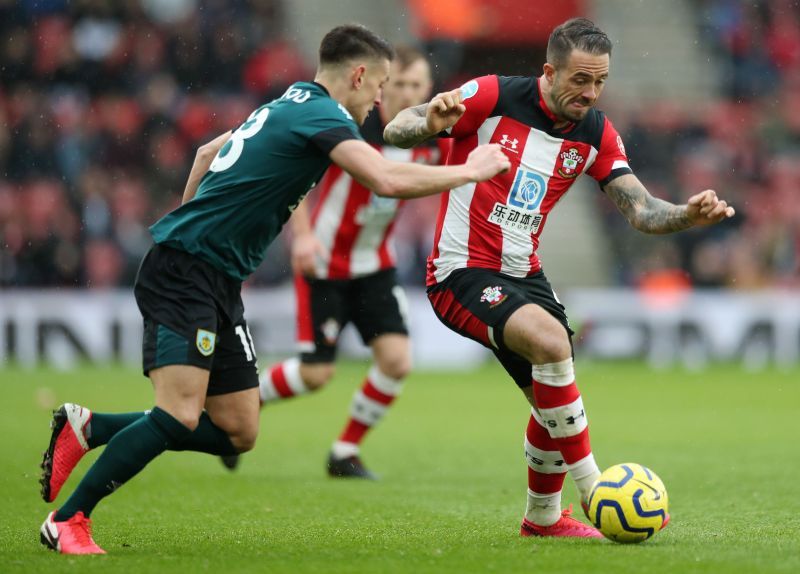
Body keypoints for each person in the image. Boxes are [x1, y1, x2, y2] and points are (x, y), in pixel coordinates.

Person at [37, 24, 510, 555]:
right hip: (187, 273)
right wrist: (471, 170)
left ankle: (89, 427)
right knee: (178, 413)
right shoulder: (322, 115)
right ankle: (69, 519)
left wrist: (192, 219)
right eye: (379, 85)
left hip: (215, 276)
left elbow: (204, 154)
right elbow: (387, 180)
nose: (380, 97)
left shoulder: (286, 102)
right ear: (357, 75)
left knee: (238, 429)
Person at [383, 17, 734, 538]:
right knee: (553, 346)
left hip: (524, 275)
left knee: (553, 395)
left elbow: (641, 211)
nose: (590, 93)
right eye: (580, 80)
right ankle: (594, 490)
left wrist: (687, 214)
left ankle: (543, 519)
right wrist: (432, 118)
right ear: (549, 71)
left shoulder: (596, 133)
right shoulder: (492, 94)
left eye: (600, 82)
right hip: (460, 272)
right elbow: (397, 128)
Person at [231, 46, 446, 479]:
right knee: (315, 375)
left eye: (416, 85)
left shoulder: (431, 141)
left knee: (397, 360)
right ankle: (245, 400)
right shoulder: (352, 128)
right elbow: (298, 176)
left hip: (375, 265)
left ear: (428, 90)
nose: (407, 93)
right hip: (325, 264)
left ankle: (345, 451)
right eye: (399, 84)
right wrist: (304, 237)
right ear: (383, 89)